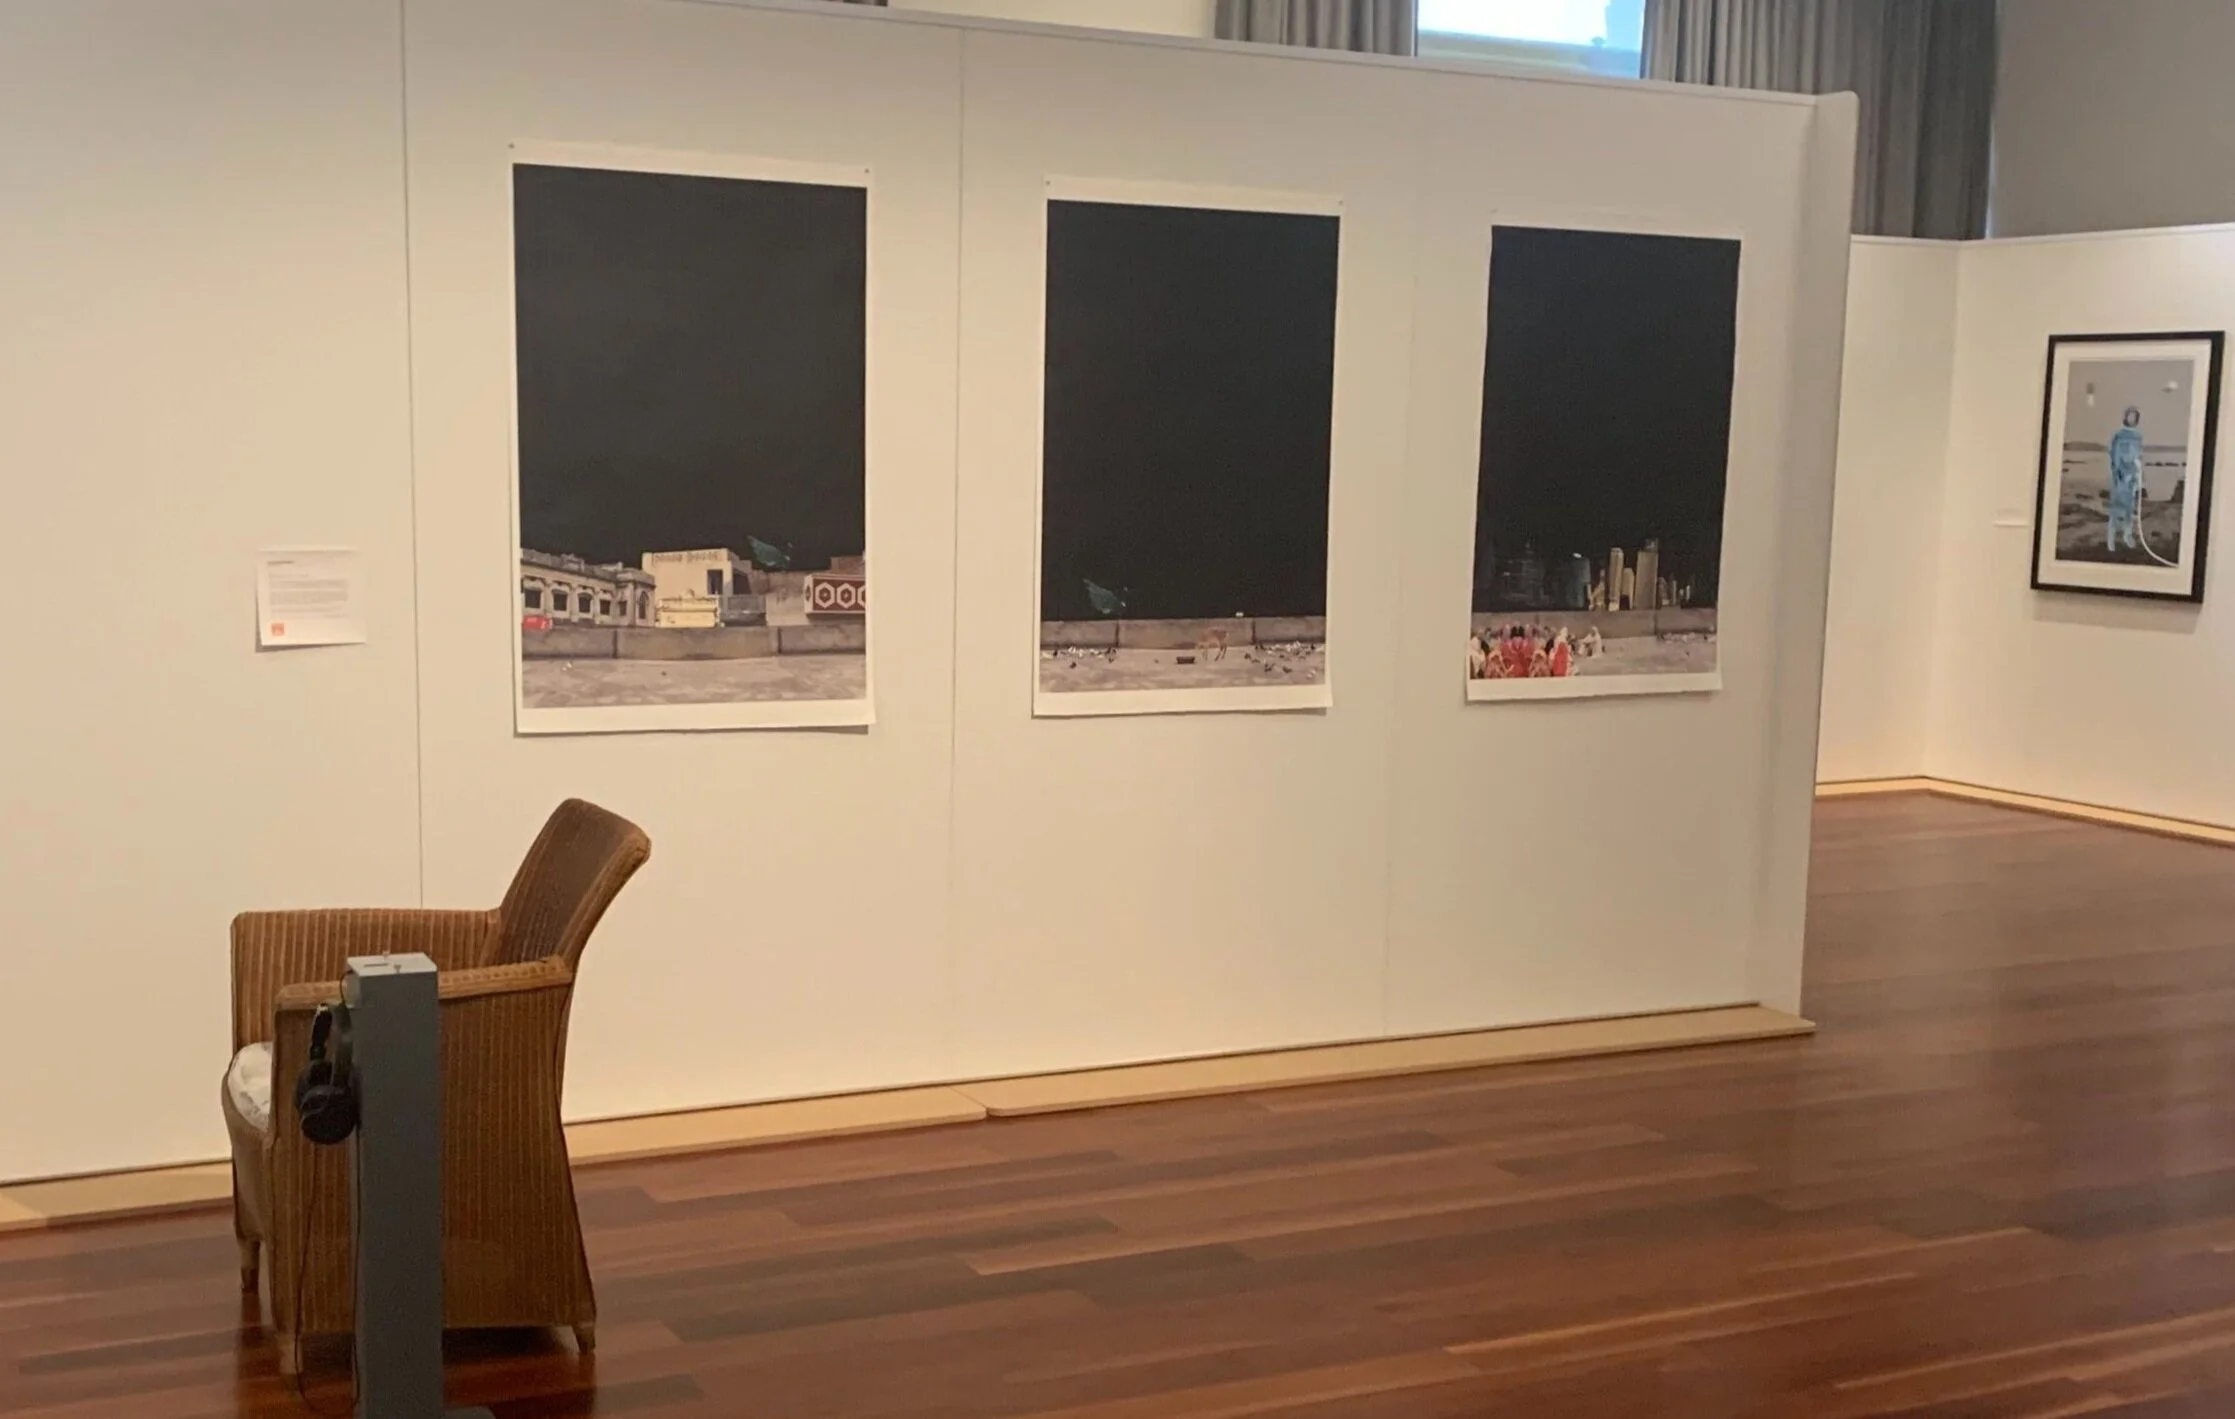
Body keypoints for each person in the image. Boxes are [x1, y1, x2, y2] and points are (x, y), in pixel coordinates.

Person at [2108, 406, 2145, 553]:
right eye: (2129, 416)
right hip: (2121, 478)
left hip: (2132, 479)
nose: (2131, 419)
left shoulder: (2138, 436)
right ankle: (2111, 538)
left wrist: (2138, 476)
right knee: (2116, 509)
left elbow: (2138, 456)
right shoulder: (2119, 435)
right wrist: (2119, 473)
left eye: (2134, 417)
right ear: (2125, 417)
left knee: (2129, 510)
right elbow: (2115, 456)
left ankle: (2127, 535)